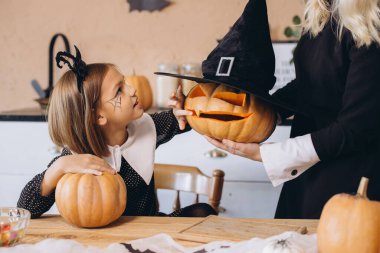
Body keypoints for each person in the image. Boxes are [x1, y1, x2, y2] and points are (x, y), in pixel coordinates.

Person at [156, 0, 380, 219]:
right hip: (307, 173)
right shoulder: (324, 10)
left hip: (352, 182)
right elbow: (310, 85)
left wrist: (268, 154)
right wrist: (239, 110)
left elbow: (355, 128)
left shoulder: (371, 22)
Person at [17, 46, 217, 218]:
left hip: (151, 230)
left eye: (125, 83)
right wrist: (58, 168)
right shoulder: (76, 157)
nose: (131, 90)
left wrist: (187, 107)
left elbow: (187, 118)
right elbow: (24, 209)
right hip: (100, 241)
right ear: (98, 117)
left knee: (203, 211)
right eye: (119, 90)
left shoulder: (147, 127)